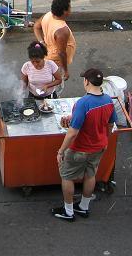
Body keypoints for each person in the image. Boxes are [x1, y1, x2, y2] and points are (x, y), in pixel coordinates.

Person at [53, 68, 116, 221]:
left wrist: (61, 151)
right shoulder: (108, 100)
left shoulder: (83, 103)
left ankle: (68, 212)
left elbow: (72, 133)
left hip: (80, 149)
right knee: (90, 175)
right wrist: (105, 139)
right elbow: (110, 124)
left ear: (87, 82)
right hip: (99, 147)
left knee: (67, 177)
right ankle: (83, 207)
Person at [34, 0, 76, 81]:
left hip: (49, 56)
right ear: (64, 11)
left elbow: (36, 27)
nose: (71, 9)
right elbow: (61, 53)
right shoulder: (62, 31)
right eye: (70, 7)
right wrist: (65, 70)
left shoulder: (48, 15)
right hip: (56, 61)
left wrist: (41, 42)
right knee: (56, 82)